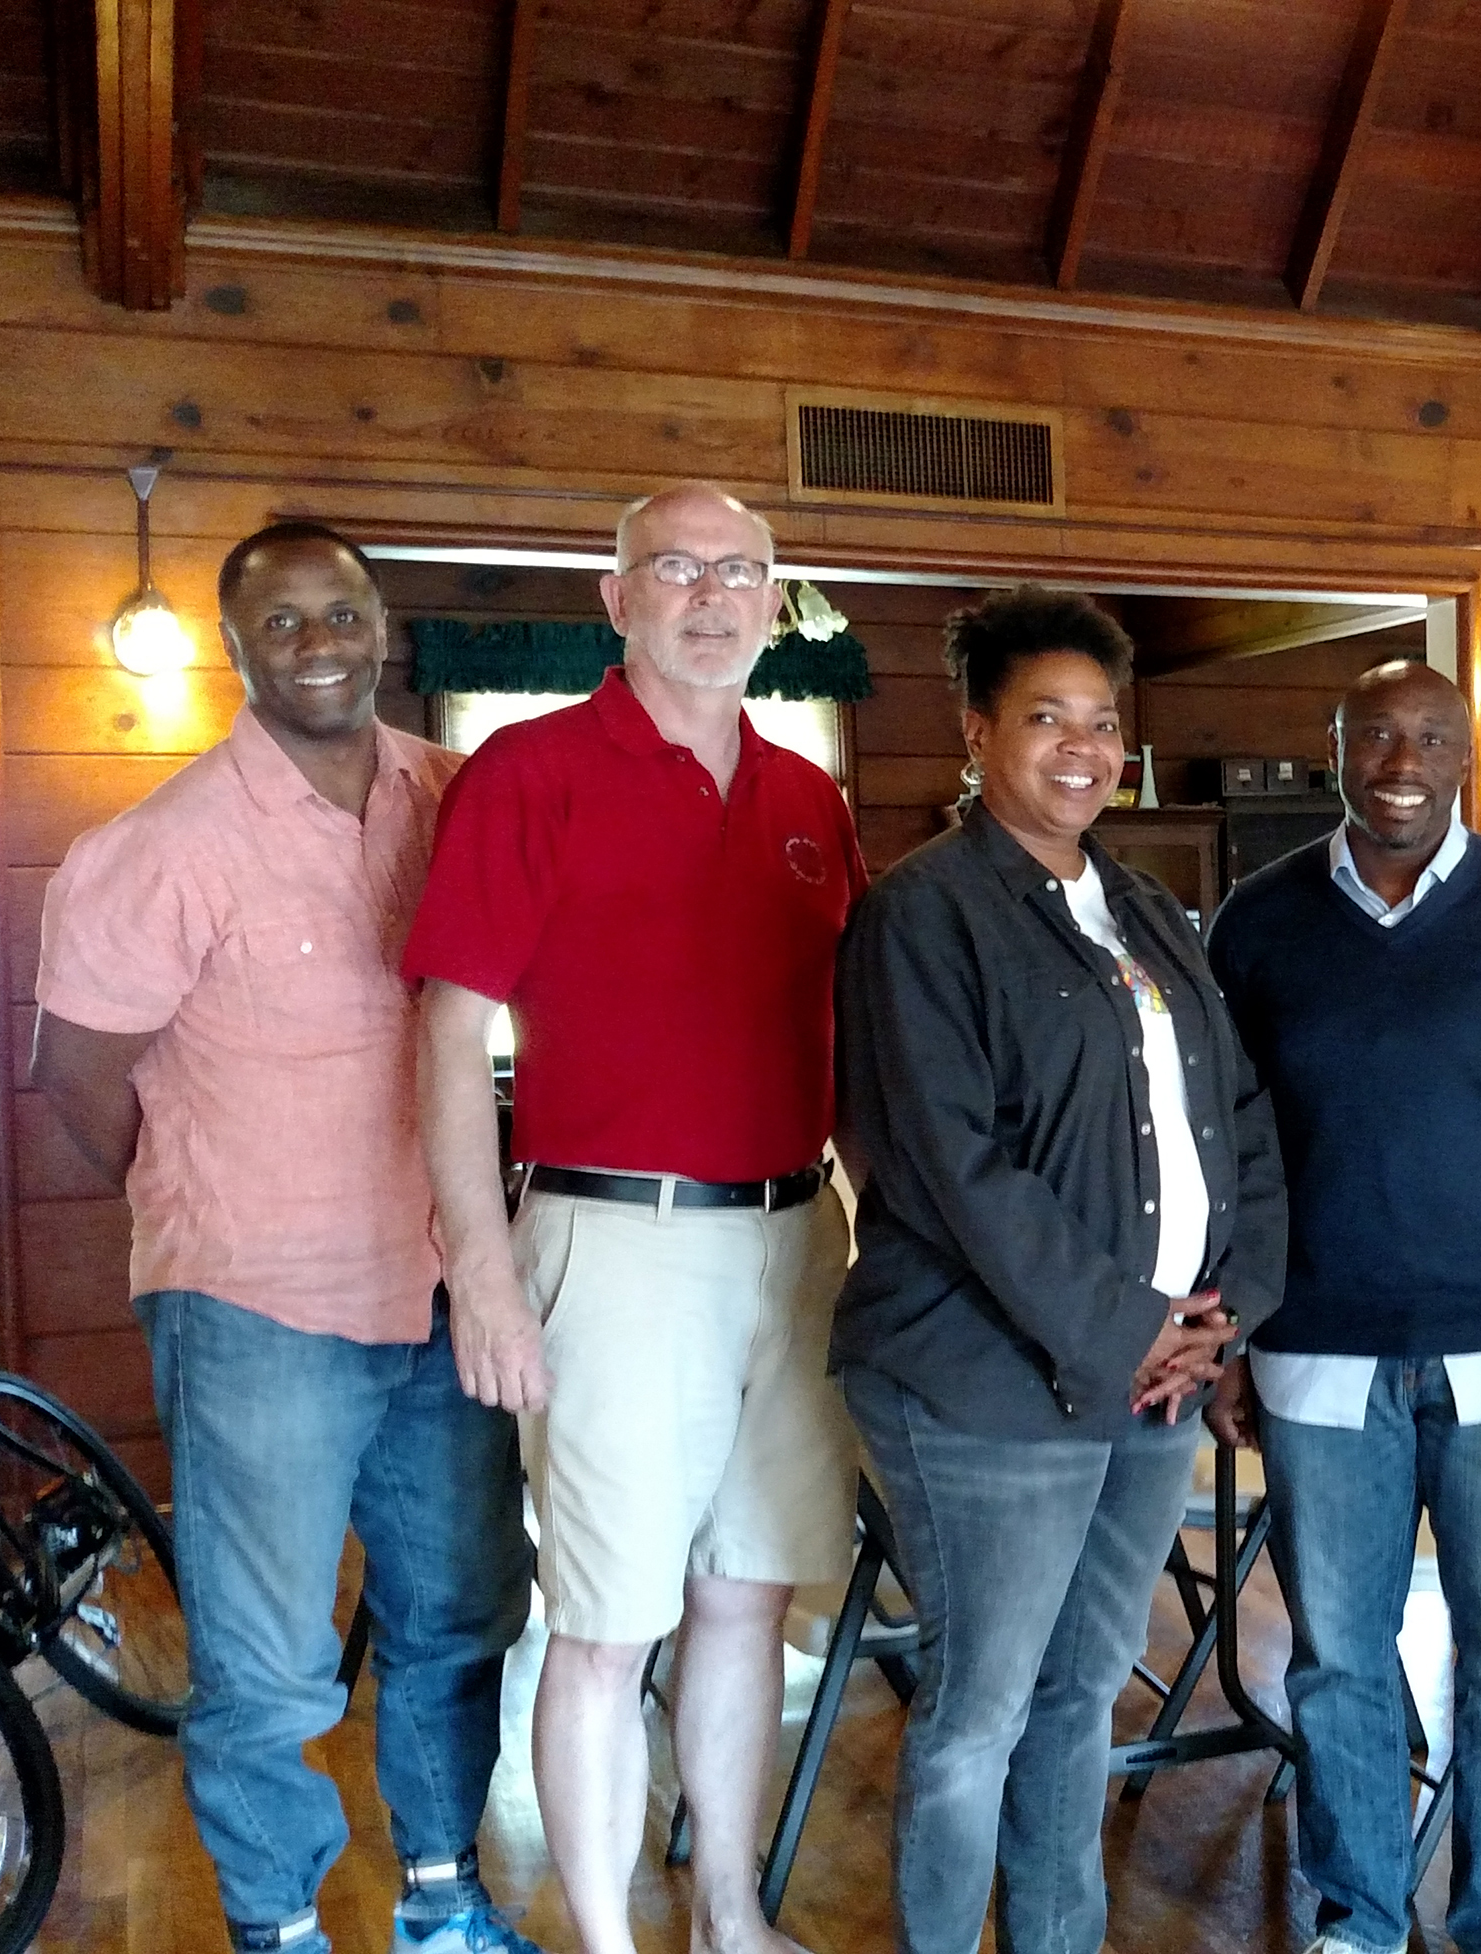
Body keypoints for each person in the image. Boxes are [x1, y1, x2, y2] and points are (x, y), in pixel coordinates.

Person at [33, 523, 538, 1954]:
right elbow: (76, 1076)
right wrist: (203, 1188)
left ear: (383, 624)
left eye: (343, 612)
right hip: (257, 1304)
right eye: (284, 622)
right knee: (269, 1667)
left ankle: (443, 1897)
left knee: (459, 1616)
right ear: (236, 645)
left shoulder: (454, 796)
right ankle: (278, 1922)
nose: (319, 642)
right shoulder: (160, 848)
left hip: (447, 1289)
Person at [405, 482, 865, 1954]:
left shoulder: (807, 799)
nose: (713, 596)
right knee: (606, 1624)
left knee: (746, 1596)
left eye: (744, 572)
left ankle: (730, 1914)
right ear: (618, 598)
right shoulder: (530, 771)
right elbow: (448, 1022)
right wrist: (480, 1266)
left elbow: (847, 1042)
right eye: (677, 568)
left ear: (775, 602)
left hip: (797, 1235)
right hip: (614, 1238)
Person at [831, 585, 1287, 1954]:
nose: (1084, 746)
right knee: (979, 1707)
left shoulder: (1143, 910)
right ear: (978, 734)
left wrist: (1228, 1313)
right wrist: (1130, 1326)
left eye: (1102, 720)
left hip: (1149, 1380)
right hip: (982, 1379)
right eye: (1046, 717)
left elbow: (1240, 1117)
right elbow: (951, 1168)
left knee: (1084, 1694)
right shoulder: (924, 915)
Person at [1205, 659, 1481, 1954]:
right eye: (1379, 734)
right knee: (1337, 1662)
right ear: (1333, 748)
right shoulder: (1258, 920)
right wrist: (1232, 1328)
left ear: (1469, 758)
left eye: (1432, 737)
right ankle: (1356, 1913)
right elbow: (1223, 1142)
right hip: (1314, 1358)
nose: (1404, 759)